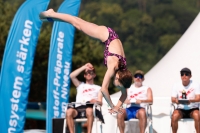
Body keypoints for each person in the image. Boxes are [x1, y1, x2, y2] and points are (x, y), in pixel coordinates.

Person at [39, 9, 133, 114]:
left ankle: (53, 16)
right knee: (77, 23)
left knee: (78, 23)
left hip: (109, 37)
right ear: (117, 77)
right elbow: (103, 90)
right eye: (118, 85)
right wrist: (112, 106)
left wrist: (117, 107)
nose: (118, 86)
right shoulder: (113, 67)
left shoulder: (124, 72)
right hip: (106, 35)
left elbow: (124, 94)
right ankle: (52, 14)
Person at [66, 63, 103, 133]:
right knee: (69, 111)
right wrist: (84, 67)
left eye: (91, 73)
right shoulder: (80, 85)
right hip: (78, 108)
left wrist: (96, 101)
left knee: (89, 110)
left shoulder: (99, 88)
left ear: (94, 75)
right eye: (86, 73)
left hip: (90, 108)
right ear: (84, 75)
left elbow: (100, 102)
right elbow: (71, 76)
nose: (88, 74)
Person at [171, 67, 200, 133]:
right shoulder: (176, 85)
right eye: (182, 74)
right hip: (181, 108)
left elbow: (198, 98)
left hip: (193, 108)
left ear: (190, 76)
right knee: (174, 116)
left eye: (186, 74)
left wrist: (191, 101)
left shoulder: (195, 85)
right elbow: (172, 99)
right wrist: (177, 101)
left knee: (197, 115)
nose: (184, 76)